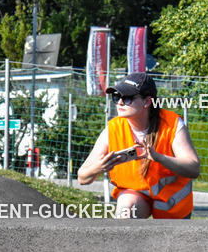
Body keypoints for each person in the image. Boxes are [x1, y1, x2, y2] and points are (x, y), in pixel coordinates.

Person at [77, 72, 200, 219]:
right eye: (116, 97)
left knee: (170, 241)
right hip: (137, 196)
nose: (120, 102)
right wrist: (99, 168)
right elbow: (82, 178)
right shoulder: (113, 128)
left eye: (127, 98)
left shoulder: (172, 124)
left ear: (147, 102)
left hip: (172, 204)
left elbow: (194, 168)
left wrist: (159, 158)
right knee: (126, 209)